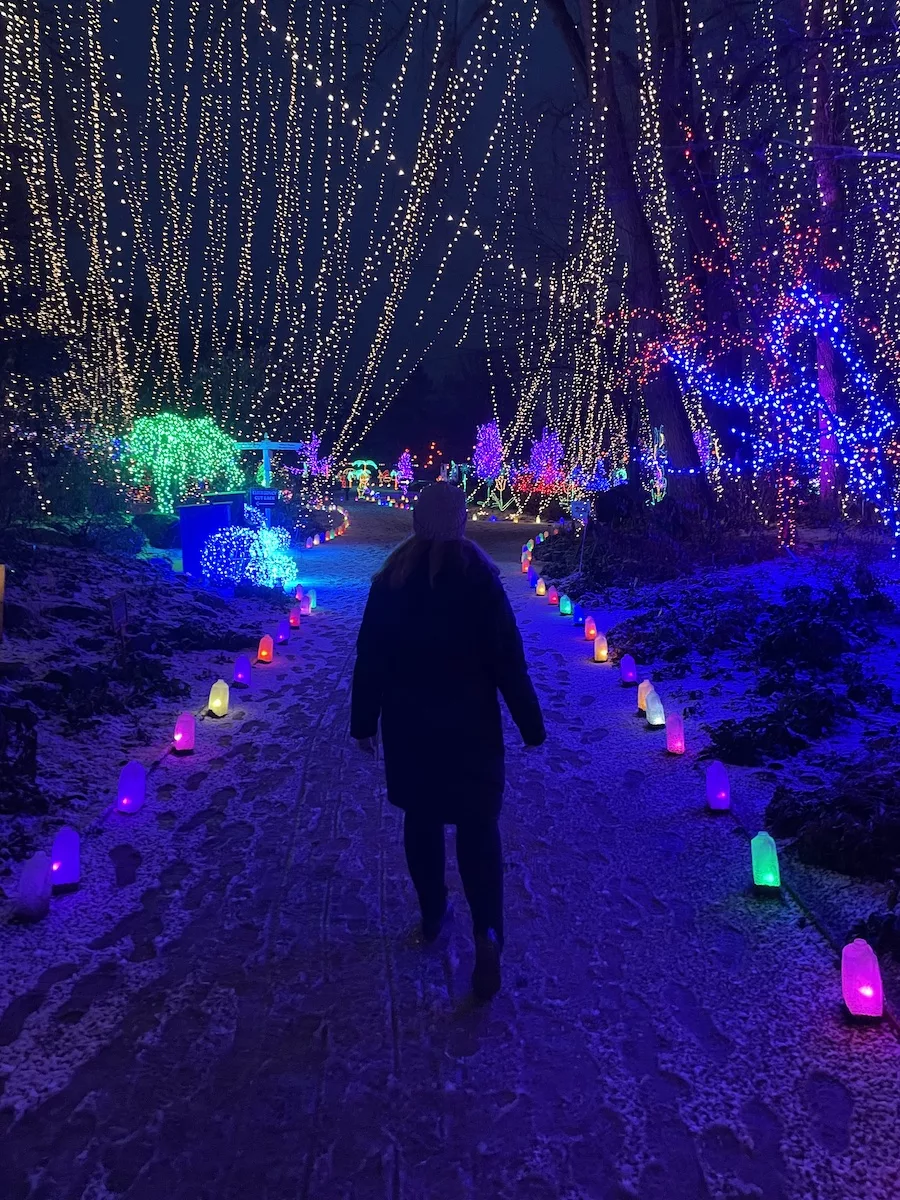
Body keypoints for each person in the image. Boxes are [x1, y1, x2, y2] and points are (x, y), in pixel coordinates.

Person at [350, 483, 546, 1000]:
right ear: (459, 522)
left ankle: (433, 912)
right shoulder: (479, 578)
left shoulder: (392, 580)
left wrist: (364, 721)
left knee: (423, 818)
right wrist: (530, 721)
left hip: (411, 725)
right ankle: (488, 931)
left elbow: (370, 654)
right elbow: (507, 657)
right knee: (478, 827)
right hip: (470, 727)